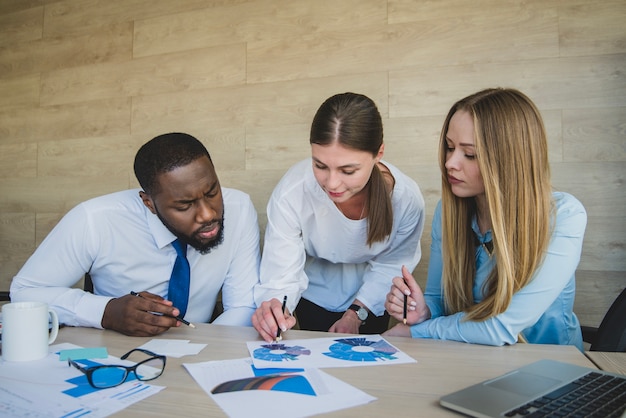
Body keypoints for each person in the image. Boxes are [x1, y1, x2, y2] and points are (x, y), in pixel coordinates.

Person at [384, 88, 586, 350]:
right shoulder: (448, 211)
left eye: (470, 154)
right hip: (474, 360)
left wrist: (419, 332)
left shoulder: (564, 216)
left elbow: (502, 326)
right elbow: (439, 300)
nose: (450, 163)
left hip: (551, 368)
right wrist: (422, 311)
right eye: (449, 147)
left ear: (509, 160)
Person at [10, 132, 260, 337]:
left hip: (203, 344)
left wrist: (200, 349)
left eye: (212, 192)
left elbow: (242, 305)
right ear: (148, 203)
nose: (207, 214)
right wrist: (105, 311)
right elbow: (25, 291)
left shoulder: (239, 208)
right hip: (117, 354)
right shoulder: (95, 219)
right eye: (184, 206)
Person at [252, 92, 425, 342]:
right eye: (320, 166)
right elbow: (282, 273)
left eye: (348, 170)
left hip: (373, 291)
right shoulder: (292, 191)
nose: (332, 183)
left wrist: (356, 313)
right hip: (313, 289)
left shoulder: (406, 199)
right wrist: (276, 308)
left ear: (379, 153)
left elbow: (392, 265)